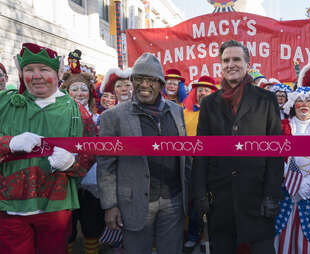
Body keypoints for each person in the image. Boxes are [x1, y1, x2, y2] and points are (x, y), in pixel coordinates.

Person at [0, 42, 95, 254]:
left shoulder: (78, 111)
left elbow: (90, 155)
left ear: (57, 72)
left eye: (43, 69)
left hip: (55, 208)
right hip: (9, 209)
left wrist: (72, 163)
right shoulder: (4, 103)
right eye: (29, 70)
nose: (36, 76)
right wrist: (9, 143)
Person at [192, 40, 283, 254]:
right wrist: (201, 194)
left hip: (257, 199)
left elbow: (276, 152)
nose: (230, 64)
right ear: (220, 65)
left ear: (247, 64)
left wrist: (271, 195)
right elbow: (201, 152)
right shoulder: (208, 103)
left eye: (236, 59)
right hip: (220, 201)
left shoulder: (267, 100)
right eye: (225, 60)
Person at [97, 53, 191, 254]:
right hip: (135, 203)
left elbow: (184, 155)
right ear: (132, 81)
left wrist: (190, 194)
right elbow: (106, 165)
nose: (144, 84)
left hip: (173, 201)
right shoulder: (113, 117)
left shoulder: (176, 111)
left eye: (151, 80)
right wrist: (110, 205)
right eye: (139, 78)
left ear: (161, 84)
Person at [274, 87, 310, 254]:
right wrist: (291, 179)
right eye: (299, 101)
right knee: (281, 239)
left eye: (309, 101)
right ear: (293, 104)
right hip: (284, 191)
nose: (304, 105)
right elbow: (274, 155)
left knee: (306, 242)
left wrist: (309, 182)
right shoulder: (282, 126)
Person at [60, 51, 105, 254]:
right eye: (74, 89)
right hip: (65, 180)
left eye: (83, 89)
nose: (79, 93)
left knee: (91, 225)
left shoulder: (100, 118)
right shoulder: (58, 117)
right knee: (67, 227)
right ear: (67, 92)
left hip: (91, 182)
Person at [182, 75, 218, 253]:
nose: (203, 92)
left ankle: (210, 238)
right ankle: (193, 235)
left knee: (212, 202)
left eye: (207, 89)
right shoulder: (185, 112)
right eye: (200, 90)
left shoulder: (220, 112)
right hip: (191, 164)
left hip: (214, 166)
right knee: (194, 202)